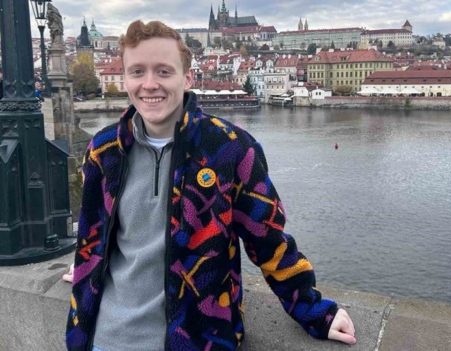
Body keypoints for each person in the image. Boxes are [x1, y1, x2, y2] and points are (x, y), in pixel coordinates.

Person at [65, 20, 355, 351]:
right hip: (105, 339)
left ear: (187, 78)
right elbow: (93, 234)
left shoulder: (230, 148)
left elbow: (268, 239)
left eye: (163, 71)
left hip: (198, 340)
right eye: (137, 72)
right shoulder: (104, 150)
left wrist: (315, 311)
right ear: (125, 77)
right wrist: (85, 266)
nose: (149, 84)